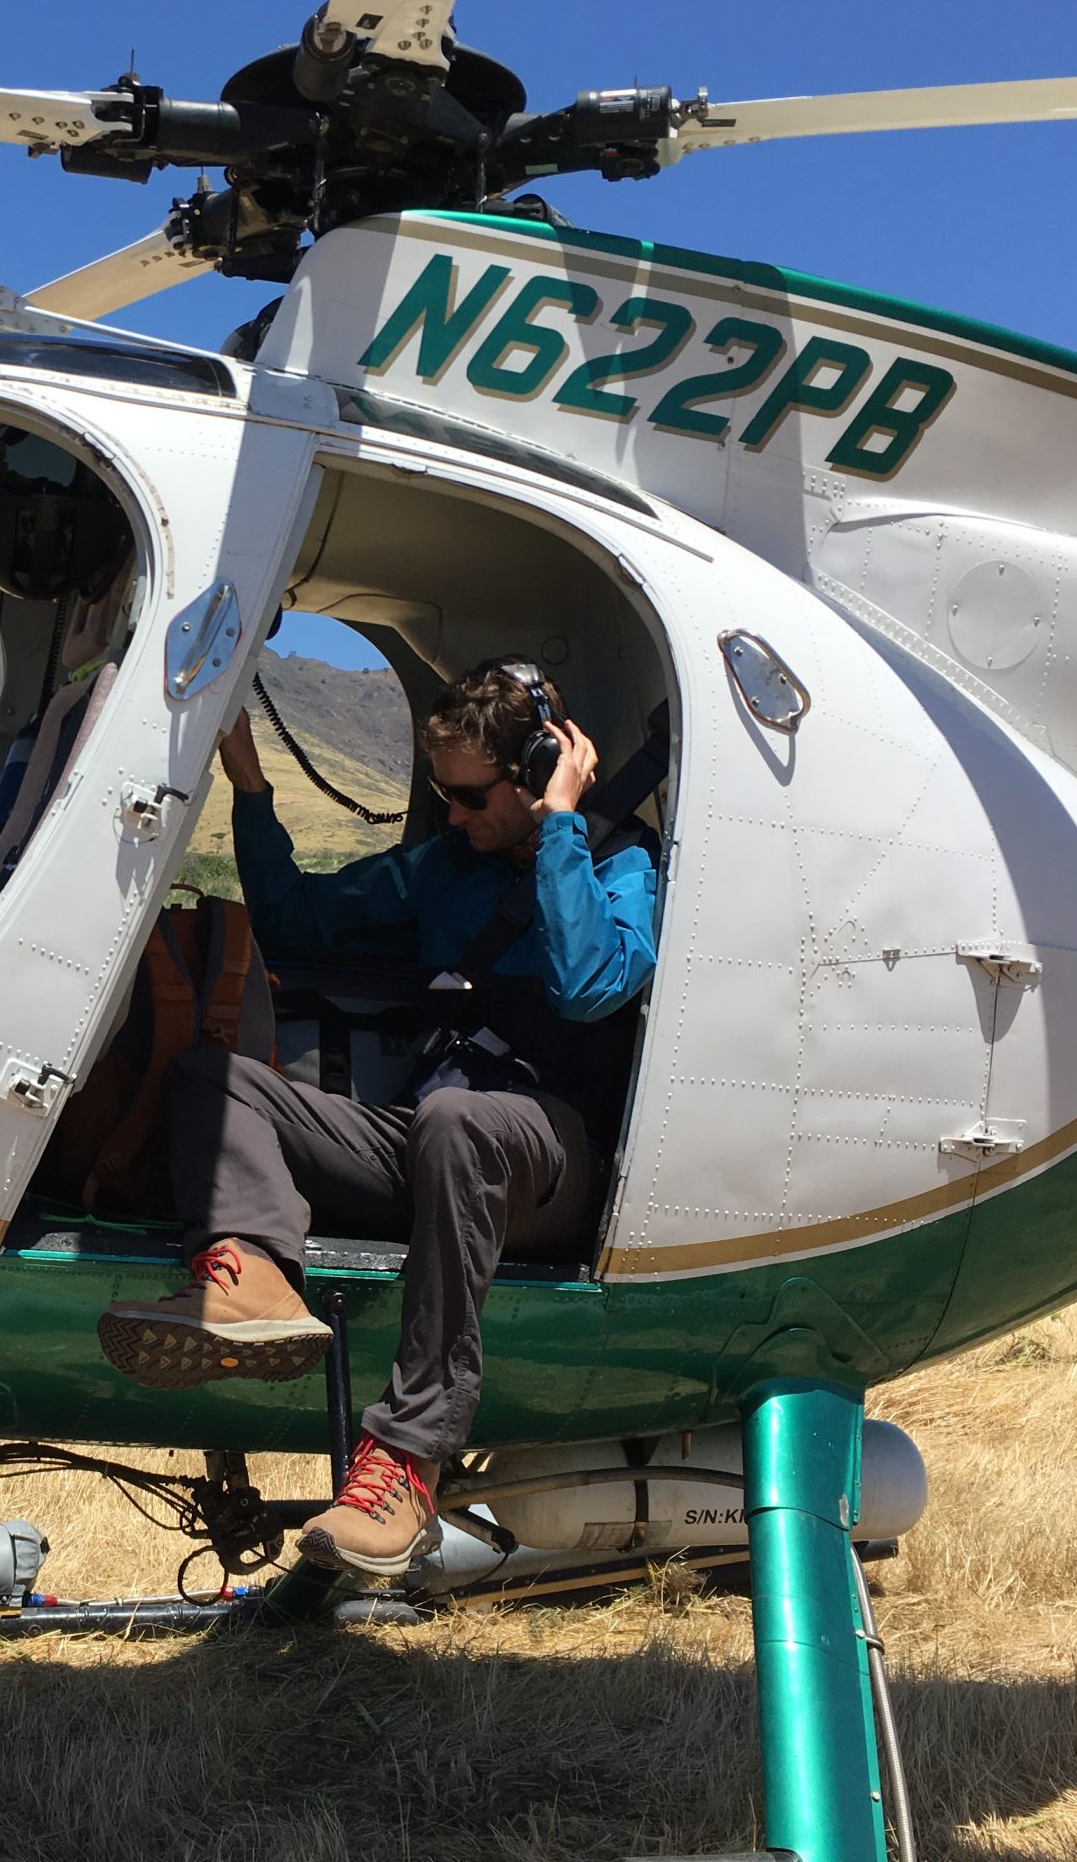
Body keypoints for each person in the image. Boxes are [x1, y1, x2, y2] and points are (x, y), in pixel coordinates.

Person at [95, 662, 659, 1576]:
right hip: (434, 1138)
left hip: (550, 1162)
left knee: (456, 1122)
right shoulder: (445, 868)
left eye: (471, 797)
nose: (454, 816)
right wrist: (250, 785)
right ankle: (256, 1283)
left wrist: (561, 828)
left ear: (538, 770)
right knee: (213, 1080)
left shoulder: (621, 865)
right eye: (442, 794)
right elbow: (292, 920)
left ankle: (405, 1456)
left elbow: (589, 985)